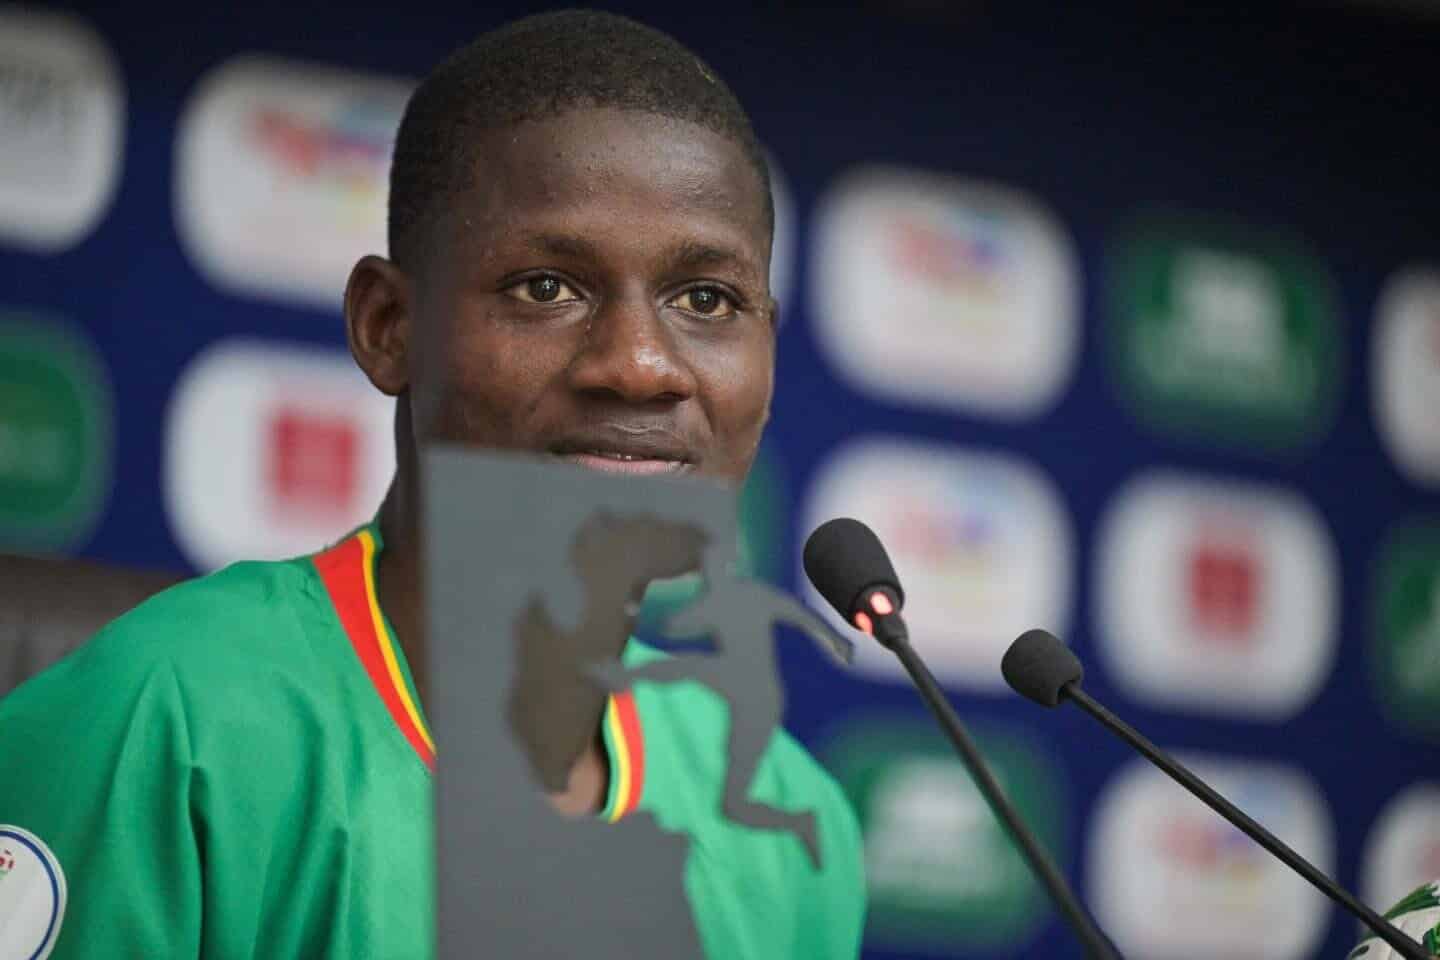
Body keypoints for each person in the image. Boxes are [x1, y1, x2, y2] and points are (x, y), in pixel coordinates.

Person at [0, 10, 865, 959]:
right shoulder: (157, 727)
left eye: (707, 299)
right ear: (388, 327)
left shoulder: (791, 823)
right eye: (547, 287)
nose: (640, 364)